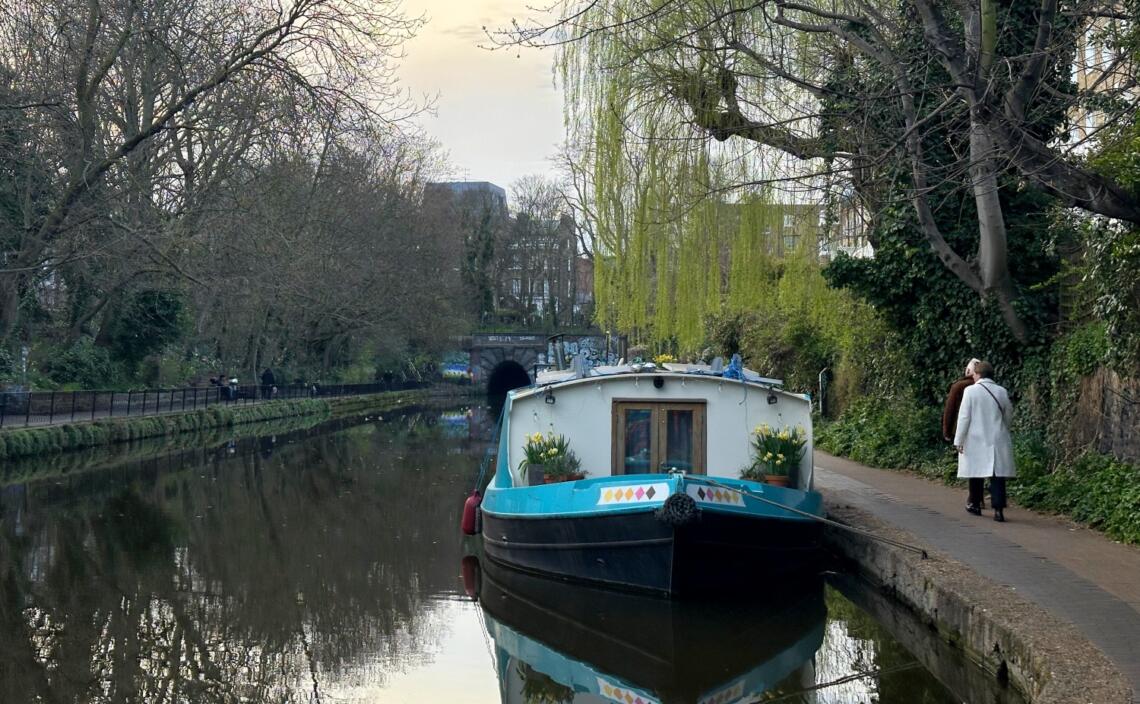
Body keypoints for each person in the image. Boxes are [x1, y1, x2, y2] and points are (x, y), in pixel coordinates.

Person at [953, 360, 1016, 522]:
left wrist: (959, 440)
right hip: (997, 438)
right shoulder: (1001, 391)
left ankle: (974, 504)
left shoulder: (970, 391)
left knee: (975, 472)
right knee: (997, 475)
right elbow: (1008, 414)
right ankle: (998, 510)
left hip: (976, 438)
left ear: (978, 374)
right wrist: (1004, 428)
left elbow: (964, 417)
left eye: (974, 374)